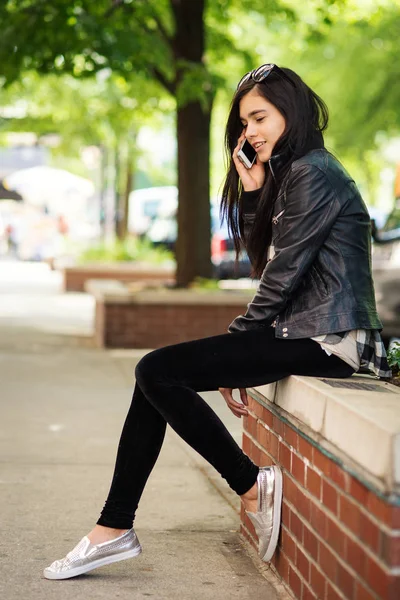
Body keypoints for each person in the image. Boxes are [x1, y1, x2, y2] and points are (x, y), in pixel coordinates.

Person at [43, 64, 391, 581]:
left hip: (328, 339)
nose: (249, 132)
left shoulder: (315, 172)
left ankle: (249, 485)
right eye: (244, 123)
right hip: (301, 333)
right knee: (154, 378)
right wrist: (253, 193)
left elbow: (282, 275)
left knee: (158, 371)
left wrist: (237, 347)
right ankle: (113, 529)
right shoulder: (295, 174)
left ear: (289, 113)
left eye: (260, 118)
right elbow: (268, 263)